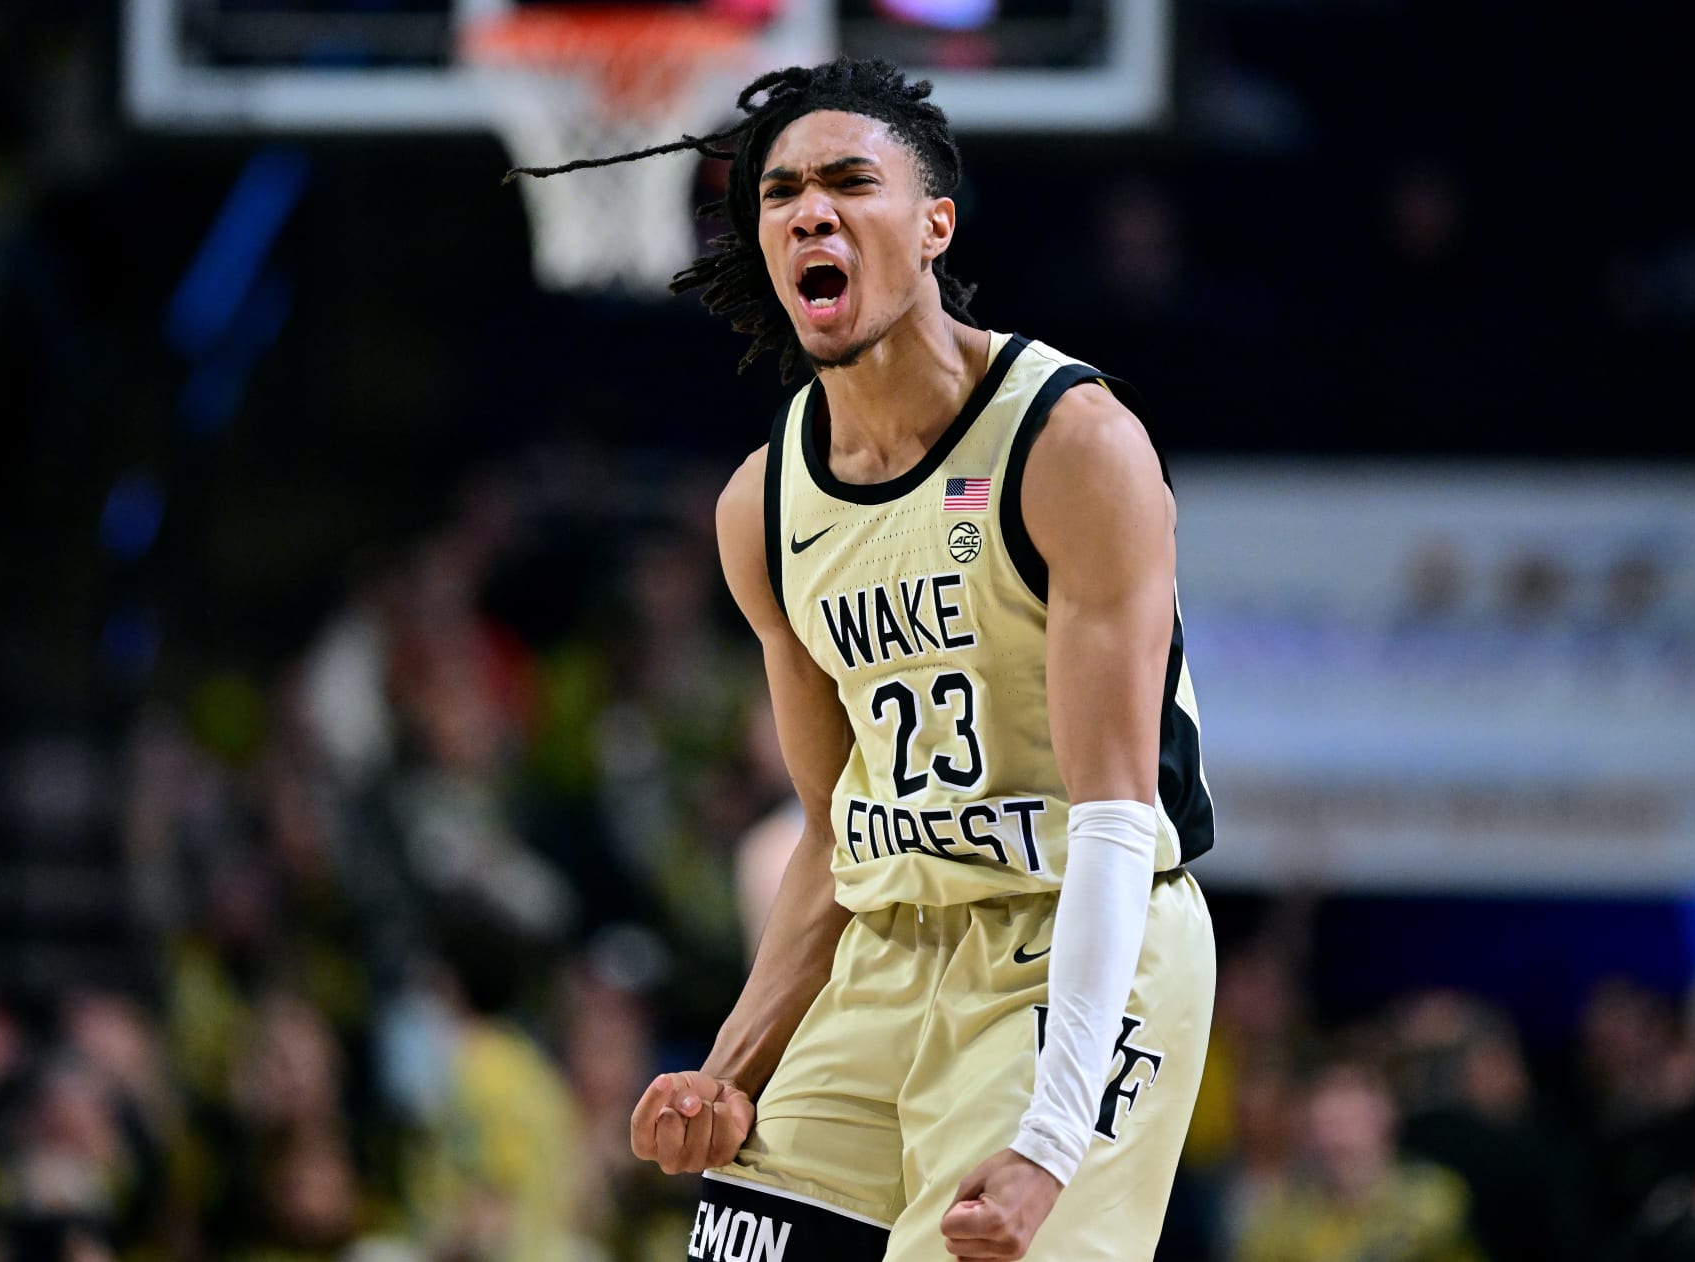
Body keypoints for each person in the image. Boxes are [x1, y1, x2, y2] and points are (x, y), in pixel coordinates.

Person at [510, 57, 1217, 1262]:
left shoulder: (1071, 442)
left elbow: (1112, 812)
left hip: (1073, 950)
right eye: (779, 193)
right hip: (889, 954)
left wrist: (1053, 1131)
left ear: (936, 222)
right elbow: (836, 832)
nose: (808, 212)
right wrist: (728, 1067)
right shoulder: (764, 509)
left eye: (848, 180)